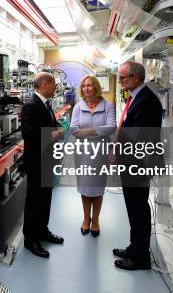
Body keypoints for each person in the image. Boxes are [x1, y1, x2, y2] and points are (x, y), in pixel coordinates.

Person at [113, 61, 163, 271]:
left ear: (136, 78)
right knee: (134, 208)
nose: (120, 81)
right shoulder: (138, 98)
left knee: (138, 210)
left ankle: (141, 258)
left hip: (138, 164)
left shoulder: (146, 101)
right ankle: (135, 247)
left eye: (123, 78)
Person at [21, 72, 65, 258]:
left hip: (47, 159)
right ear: (45, 84)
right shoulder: (31, 105)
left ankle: (42, 230)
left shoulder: (46, 104)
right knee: (34, 201)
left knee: (46, 198)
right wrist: (52, 135)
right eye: (54, 84)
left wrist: (56, 128)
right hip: (36, 161)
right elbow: (28, 135)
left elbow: (49, 124)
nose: (56, 87)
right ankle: (30, 239)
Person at [70, 75, 115, 237]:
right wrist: (98, 131)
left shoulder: (108, 106)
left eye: (89, 85)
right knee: (84, 186)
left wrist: (87, 131)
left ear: (96, 87)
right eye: (84, 86)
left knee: (97, 187)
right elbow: (73, 130)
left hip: (101, 152)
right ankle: (85, 218)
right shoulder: (78, 107)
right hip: (82, 151)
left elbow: (111, 127)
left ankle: (95, 220)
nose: (86, 88)